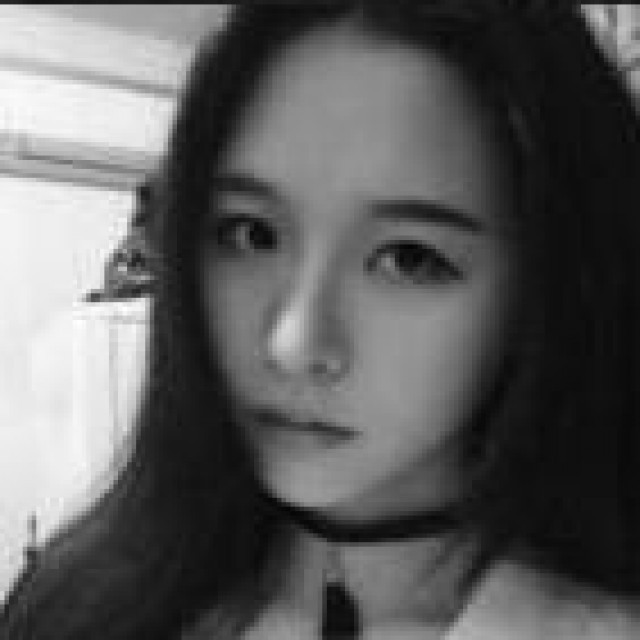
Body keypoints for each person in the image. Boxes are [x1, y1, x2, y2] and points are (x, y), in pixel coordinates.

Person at [3, 2, 640, 638]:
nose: (294, 342)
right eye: (250, 233)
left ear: (547, 287)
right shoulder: (75, 610)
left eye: (408, 258)